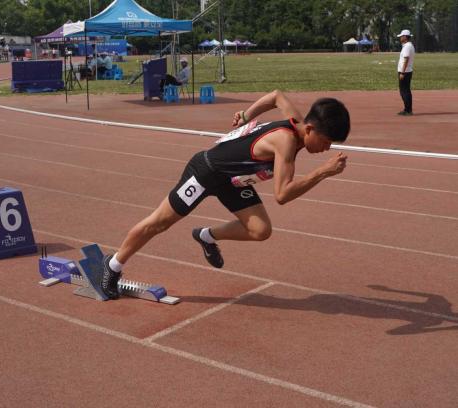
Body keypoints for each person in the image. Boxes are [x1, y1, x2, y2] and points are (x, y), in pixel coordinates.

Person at [100, 90, 351, 299]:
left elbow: (277, 96)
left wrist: (246, 115)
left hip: (232, 181)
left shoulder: (297, 123)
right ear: (309, 129)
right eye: (327, 142)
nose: (326, 149)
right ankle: (113, 265)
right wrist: (323, 172)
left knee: (260, 230)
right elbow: (282, 195)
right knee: (159, 222)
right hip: (206, 172)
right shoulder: (285, 142)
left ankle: (206, 236)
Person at [396, 29, 415, 116]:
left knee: (404, 91)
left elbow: (406, 59)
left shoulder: (407, 46)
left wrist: (402, 73)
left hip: (405, 72)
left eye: (401, 36)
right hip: (407, 71)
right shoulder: (408, 45)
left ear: (404, 37)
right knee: (406, 90)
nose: (400, 38)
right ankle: (408, 109)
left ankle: (408, 110)